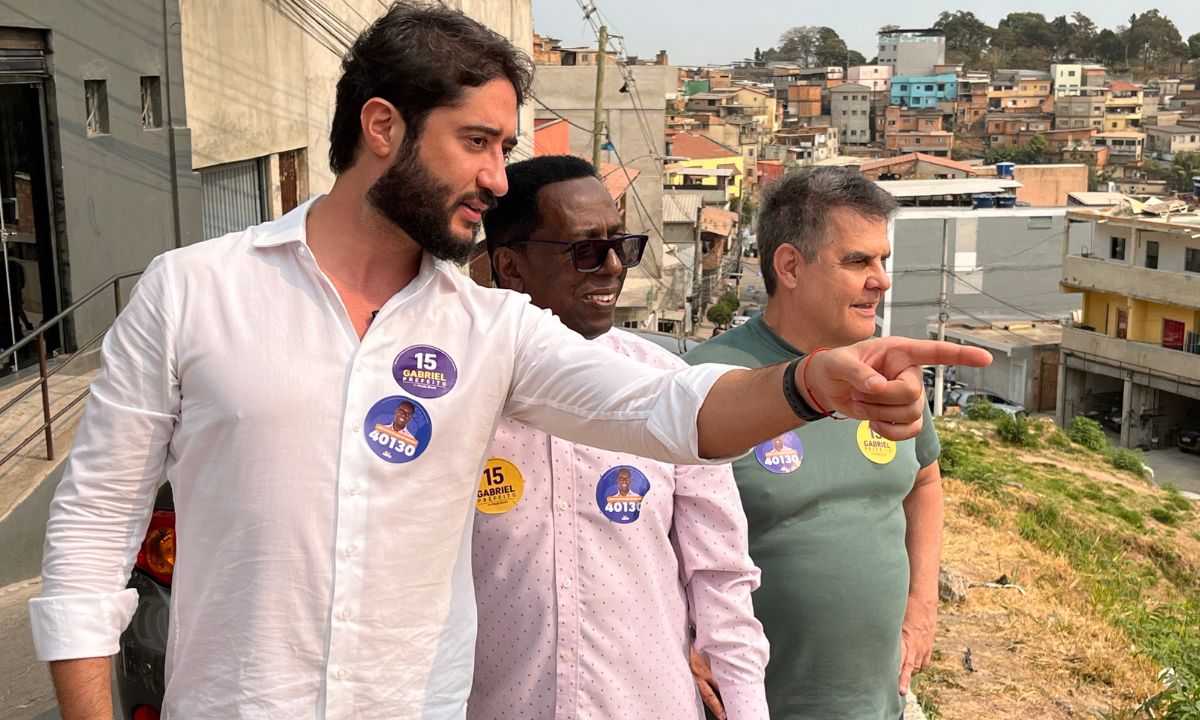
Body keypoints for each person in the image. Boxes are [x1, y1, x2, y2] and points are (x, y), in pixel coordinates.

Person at [30, 4, 988, 718]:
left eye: (504, 147)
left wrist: (810, 383)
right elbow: (90, 532)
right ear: (383, 127)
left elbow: (669, 411)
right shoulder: (190, 290)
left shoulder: (492, 329)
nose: (497, 177)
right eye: (477, 143)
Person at [469, 155, 767, 720]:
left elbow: (721, 576)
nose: (611, 267)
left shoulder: (668, 390)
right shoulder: (460, 396)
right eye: (585, 249)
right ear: (511, 266)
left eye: (621, 245)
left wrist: (748, 706)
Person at [685, 166, 946, 719]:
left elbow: (923, 480)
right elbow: (639, 537)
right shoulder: (707, 381)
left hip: (882, 707)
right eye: (858, 261)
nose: (882, 279)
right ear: (790, 266)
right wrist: (674, 641)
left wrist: (922, 603)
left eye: (883, 261)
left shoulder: (886, 368)